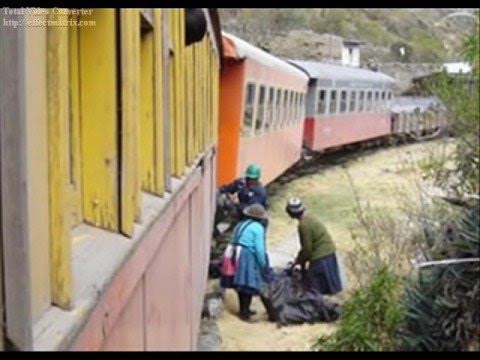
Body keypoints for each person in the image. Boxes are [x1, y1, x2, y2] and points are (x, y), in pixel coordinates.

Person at [220, 204, 273, 322]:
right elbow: (259, 249)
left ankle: (244, 309)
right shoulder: (258, 228)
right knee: (248, 284)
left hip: (235, 253)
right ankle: (244, 312)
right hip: (247, 254)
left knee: (240, 283)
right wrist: (263, 264)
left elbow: (233, 239)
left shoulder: (241, 224)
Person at [285, 197, 343, 295]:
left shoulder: (304, 225)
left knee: (316, 289)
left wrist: (298, 261)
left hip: (321, 258)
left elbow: (307, 250)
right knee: (330, 289)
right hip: (330, 254)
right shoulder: (311, 218)